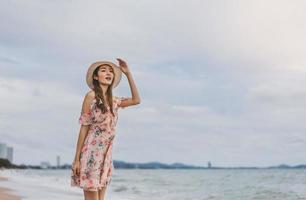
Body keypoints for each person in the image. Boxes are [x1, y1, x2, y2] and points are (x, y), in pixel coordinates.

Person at [71, 58, 141, 200]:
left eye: (111, 71)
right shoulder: (90, 96)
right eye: (103, 70)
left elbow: (136, 100)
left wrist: (128, 74)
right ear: (96, 77)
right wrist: (76, 159)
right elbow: (84, 127)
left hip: (106, 156)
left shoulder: (114, 101)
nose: (108, 73)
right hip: (91, 153)